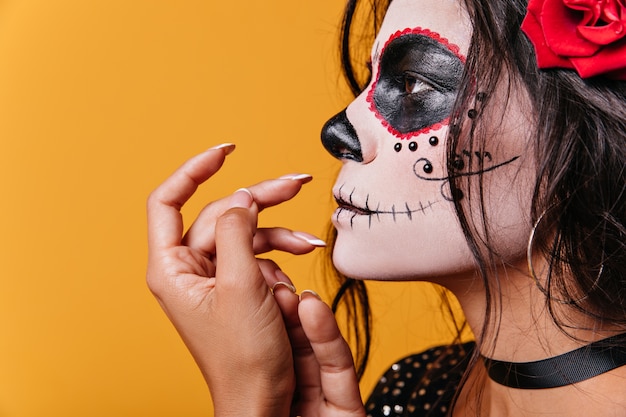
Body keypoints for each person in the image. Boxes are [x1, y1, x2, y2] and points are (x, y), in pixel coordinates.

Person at [146, 0, 626, 415]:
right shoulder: (416, 387)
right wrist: (254, 399)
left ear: (588, 134)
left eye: (414, 84)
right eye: (369, 82)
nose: (340, 130)